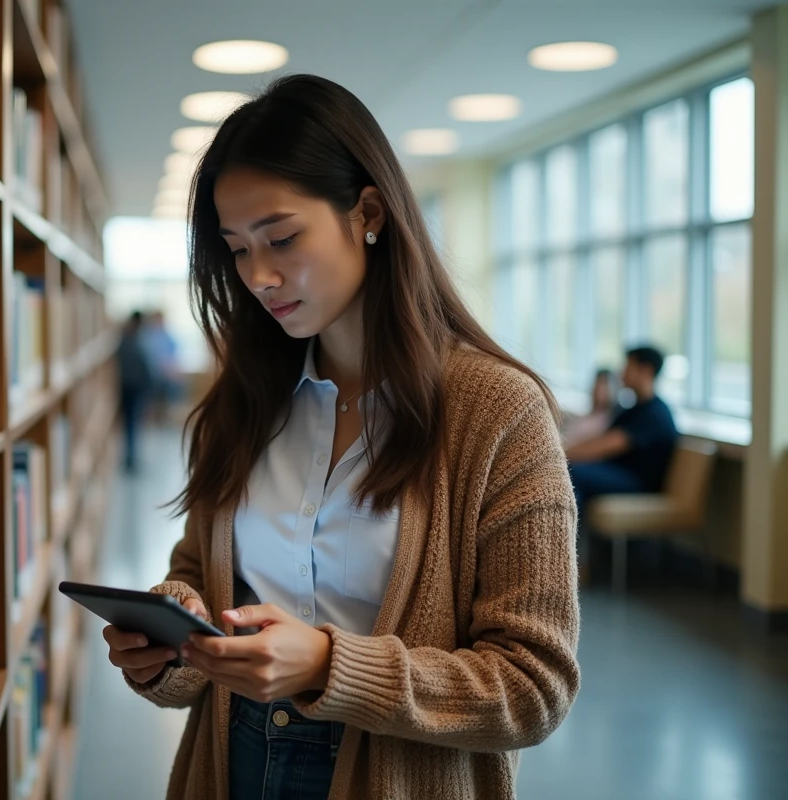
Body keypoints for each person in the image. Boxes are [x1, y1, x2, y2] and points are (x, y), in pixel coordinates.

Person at [102, 75, 579, 800]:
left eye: (282, 237)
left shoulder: (498, 412)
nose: (258, 276)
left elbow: (533, 684)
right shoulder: (244, 400)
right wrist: (174, 640)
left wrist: (329, 666)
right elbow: (200, 575)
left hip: (400, 773)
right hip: (234, 764)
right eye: (235, 249)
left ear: (369, 213)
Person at [565, 346, 680, 512]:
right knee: (576, 480)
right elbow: (603, 439)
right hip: (619, 472)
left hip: (638, 483)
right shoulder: (635, 408)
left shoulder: (654, 413)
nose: (621, 372)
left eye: (627, 366)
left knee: (573, 471)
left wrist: (561, 455)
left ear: (645, 370)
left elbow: (608, 444)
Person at [117, 310, 155, 472]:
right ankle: (131, 459)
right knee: (132, 424)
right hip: (134, 388)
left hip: (129, 387)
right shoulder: (138, 341)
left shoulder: (124, 339)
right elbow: (146, 369)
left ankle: (131, 458)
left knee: (131, 424)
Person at [140, 310, 182, 423]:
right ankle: (152, 414)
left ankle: (167, 412)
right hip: (151, 374)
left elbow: (173, 357)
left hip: (165, 373)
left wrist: (171, 369)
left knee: (176, 385)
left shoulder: (168, 337)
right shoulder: (147, 337)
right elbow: (148, 359)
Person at [562, 368, 618, 447]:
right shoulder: (586, 416)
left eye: (604, 385)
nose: (599, 389)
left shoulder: (610, 421)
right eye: (597, 384)